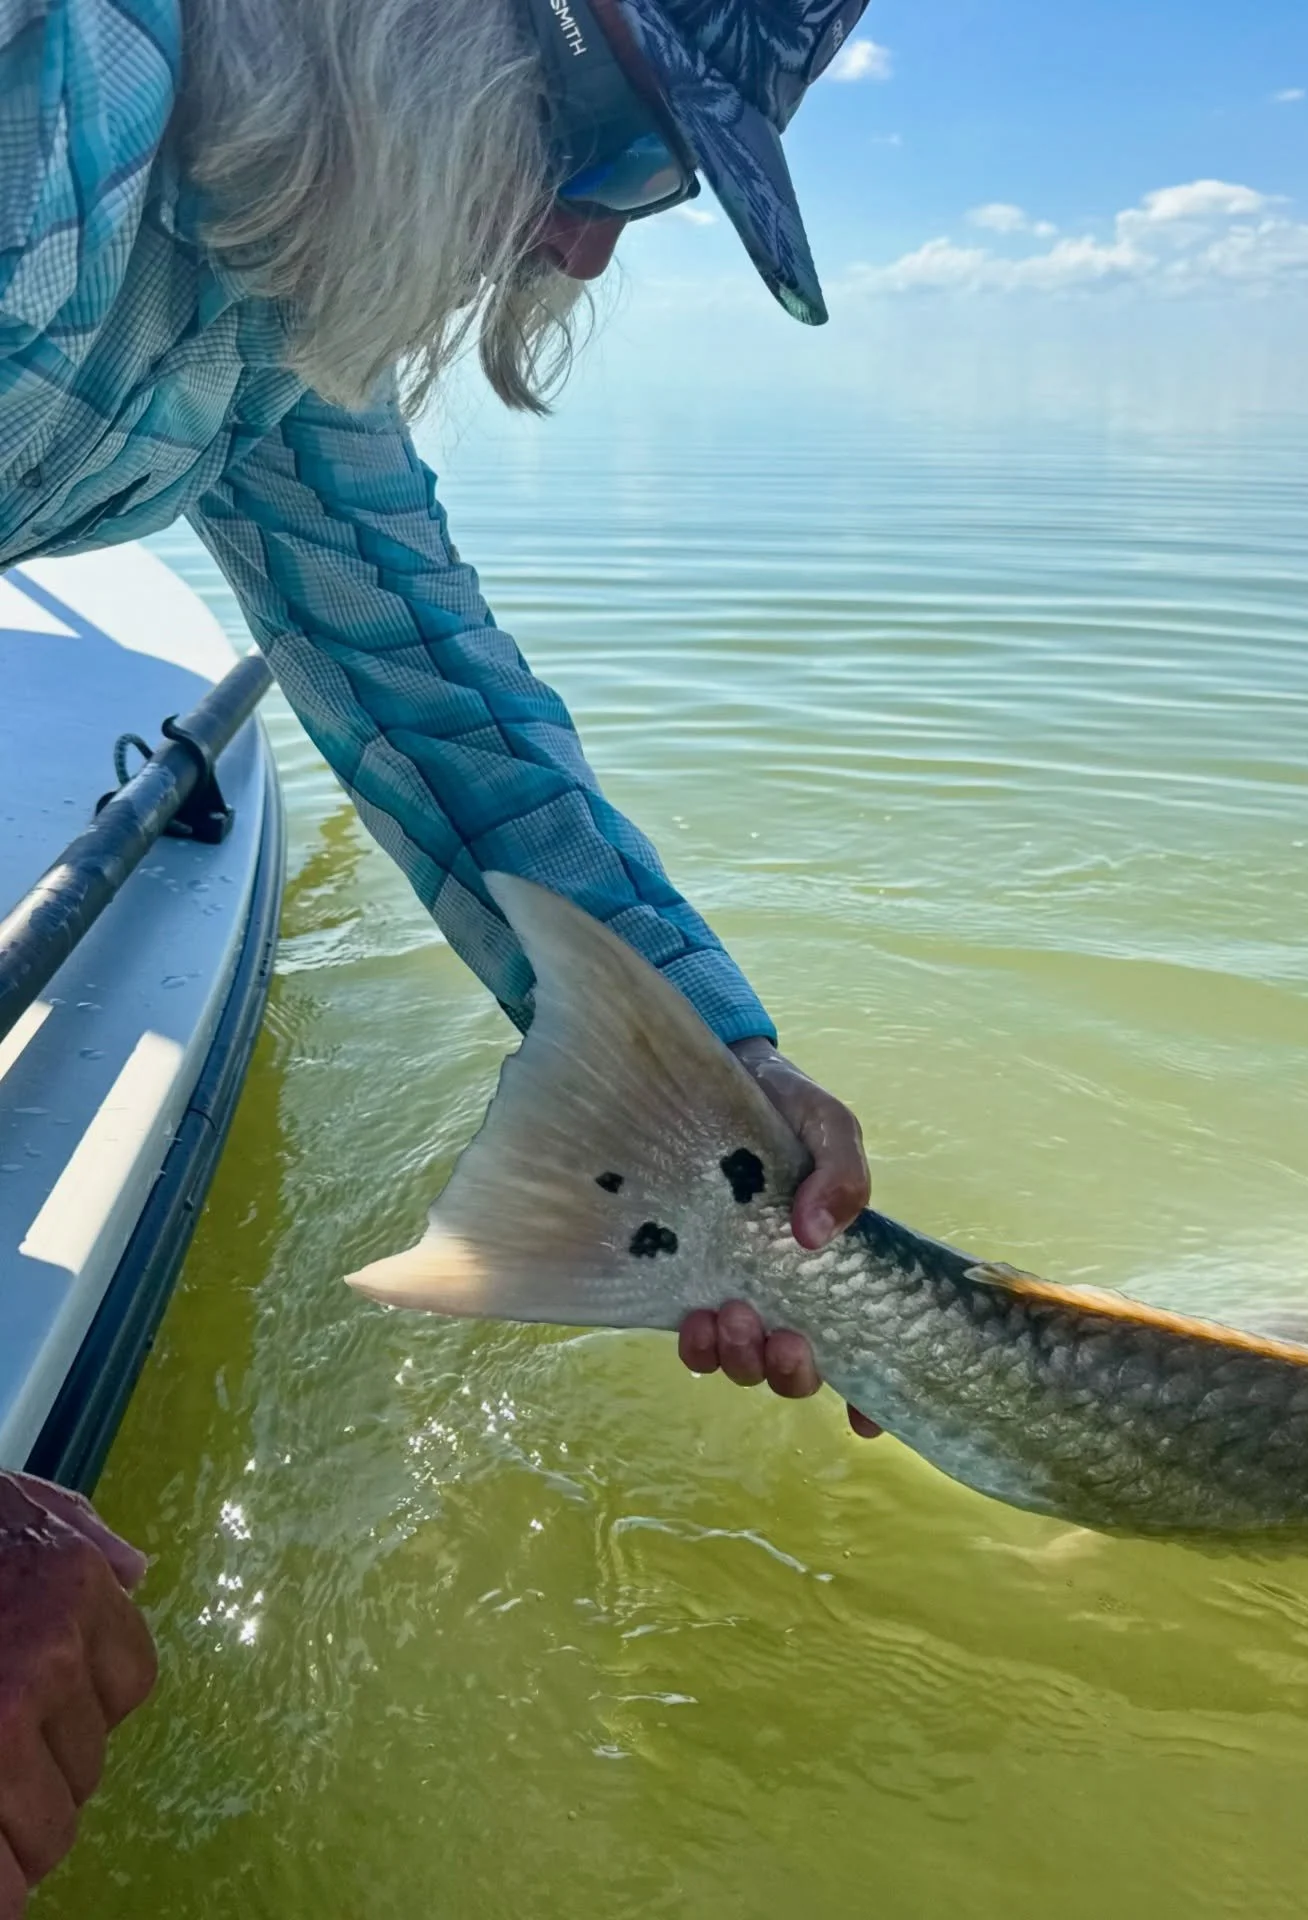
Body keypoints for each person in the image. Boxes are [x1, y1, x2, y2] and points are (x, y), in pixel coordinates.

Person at [0, 0, 883, 1900]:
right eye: (624, 151)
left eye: (650, 199)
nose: (581, 244)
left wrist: (728, 1088)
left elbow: (442, 700)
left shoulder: (261, 297)